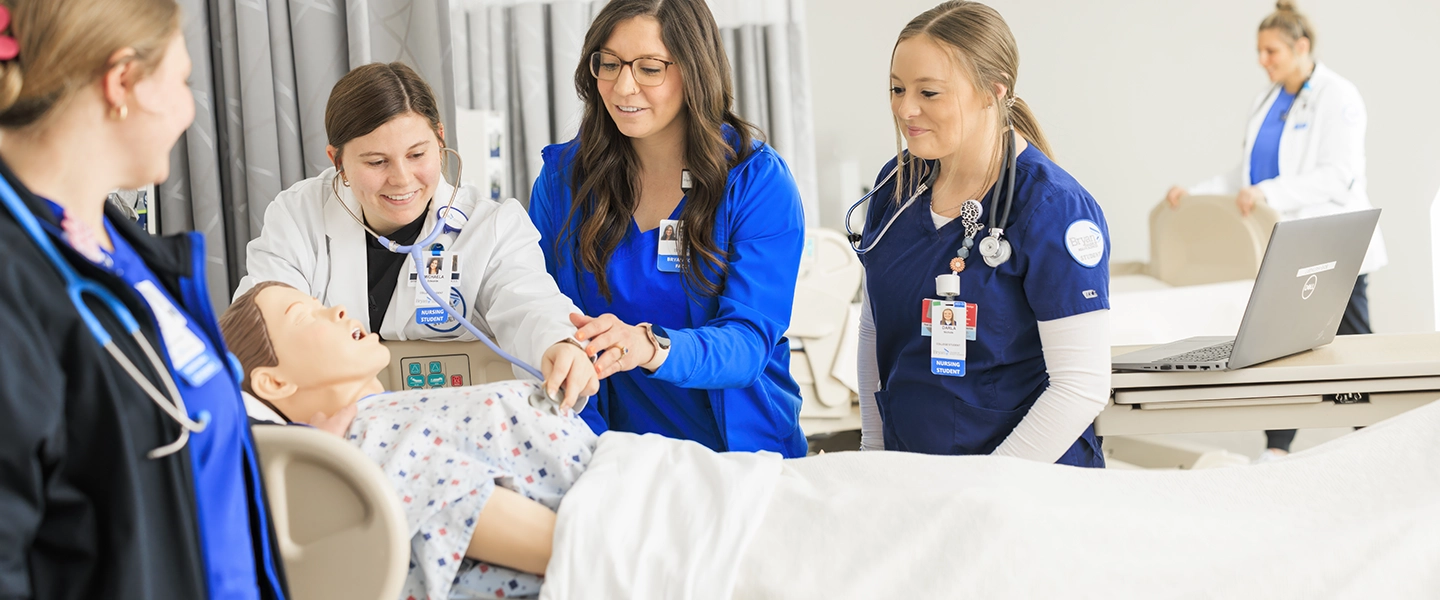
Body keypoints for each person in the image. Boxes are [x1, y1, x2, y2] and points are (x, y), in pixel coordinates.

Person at [221, 283, 1440, 599]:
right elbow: (543, 542)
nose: (336, 309)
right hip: (687, 528)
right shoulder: (366, 452)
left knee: (988, 516)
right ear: (273, 381)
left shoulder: (393, 416)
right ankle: (1282, 537)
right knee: (987, 532)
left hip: (703, 490)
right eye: (303, 316)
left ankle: (1253, 525)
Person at [0, 1, 289, 598]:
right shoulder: (14, 282)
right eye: (182, 81)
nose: (189, 110)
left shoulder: (117, 248)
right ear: (122, 81)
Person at [528, 0, 808, 457]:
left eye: (650, 68)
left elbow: (747, 343)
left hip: (737, 456)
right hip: (611, 450)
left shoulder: (754, 181)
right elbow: (548, 314)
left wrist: (649, 345)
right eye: (610, 63)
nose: (623, 86)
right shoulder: (565, 180)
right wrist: (596, 452)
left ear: (695, 71)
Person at [237, 62, 595, 408]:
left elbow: (530, 305)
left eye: (417, 154)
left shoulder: (492, 228)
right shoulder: (298, 216)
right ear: (338, 161)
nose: (402, 179)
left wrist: (559, 343)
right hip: (335, 429)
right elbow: (264, 328)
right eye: (376, 162)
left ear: (440, 140)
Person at [856, 1, 1111, 466]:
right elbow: (875, 330)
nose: (905, 108)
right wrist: (873, 453)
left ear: (993, 92)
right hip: (912, 474)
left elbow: (1082, 385)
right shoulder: (898, 189)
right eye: (897, 88)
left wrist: (987, 487)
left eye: (928, 93)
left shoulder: (1054, 209)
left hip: (1027, 490)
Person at [1164, 0, 1385, 462]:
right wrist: (1195, 192)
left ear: (1301, 46)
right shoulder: (1266, 101)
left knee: (1355, 349)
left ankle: (1380, 439)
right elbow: (1245, 174)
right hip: (1288, 246)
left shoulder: (1337, 96)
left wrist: (1269, 191)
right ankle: (1277, 449)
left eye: (1271, 51)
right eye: (1259, 51)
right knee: (1283, 346)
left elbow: (1339, 175)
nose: (1262, 60)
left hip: (1332, 243)